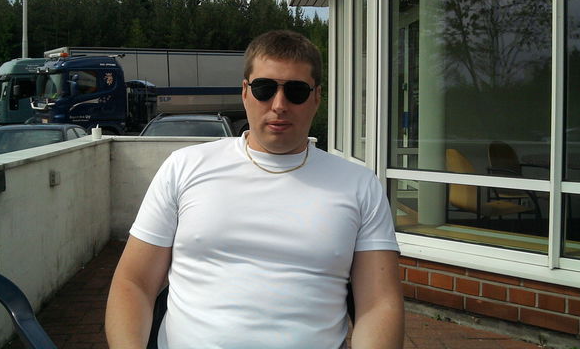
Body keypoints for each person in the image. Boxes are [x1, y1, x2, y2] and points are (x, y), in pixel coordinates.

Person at [105, 30, 404, 349]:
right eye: (264, 89)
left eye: (296, 91)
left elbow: (379, 303)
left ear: (317, 97)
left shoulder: (359, 185)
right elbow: (134, 283)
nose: (279, 105)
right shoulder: (184, 167)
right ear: (245, 92)